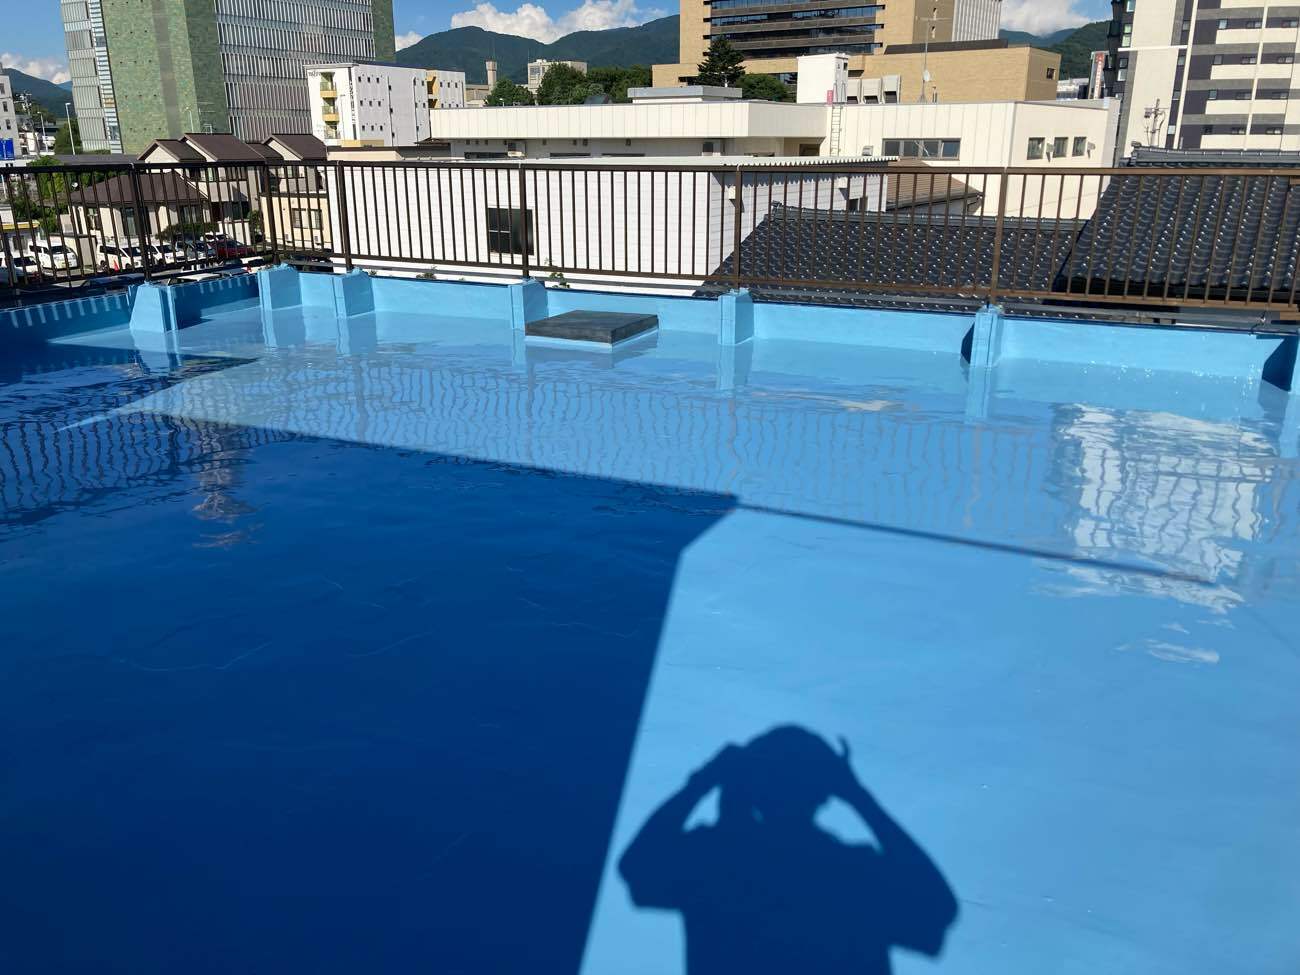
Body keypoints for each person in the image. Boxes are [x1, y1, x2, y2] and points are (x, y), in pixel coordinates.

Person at [619, 726, 958, 974]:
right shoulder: (855, 872)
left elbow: (638, 867)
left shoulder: (717, 860)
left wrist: (703, 781)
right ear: (825, 791)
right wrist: (858, 796)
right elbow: (937, 908)